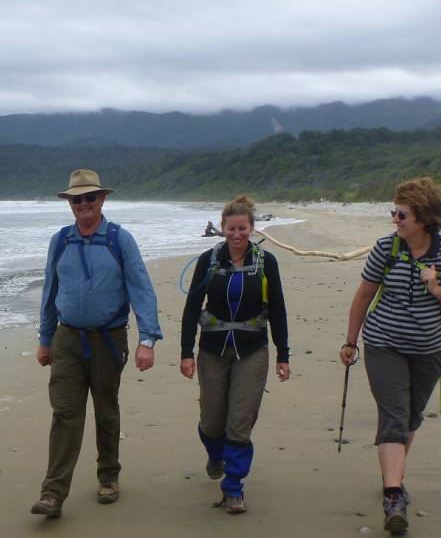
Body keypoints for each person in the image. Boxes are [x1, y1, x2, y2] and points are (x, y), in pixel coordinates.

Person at [339, 177, 441, 534]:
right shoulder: (386, 249)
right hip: (384, 345)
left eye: (402, 213)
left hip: (431, 349)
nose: (395, 219)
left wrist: (437, 288)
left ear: (424, 218)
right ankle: (394, 496)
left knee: (411, 417)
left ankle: (392, 477)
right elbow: (362, 297)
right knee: (394, 416)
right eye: (394, 212)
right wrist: (351, 342)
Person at [31, 169, 163, 518]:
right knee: (65, 414)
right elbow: (49, 292)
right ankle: (53, 493)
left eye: (91, 197)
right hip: (67, 339)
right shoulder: (60, 241)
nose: (84, 204)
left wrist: (147, 339)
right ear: (70, 204)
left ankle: (108, 476)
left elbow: (141, 289)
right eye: (78, 199)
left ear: (102, 199)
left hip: (108, 339)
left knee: (106, 409)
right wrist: (45, 340)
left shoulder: (120, 239)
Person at [180, 195, 290, 514]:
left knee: (240, 422)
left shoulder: (266, 262)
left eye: (243, 228)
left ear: (252, 228)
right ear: (223, 229)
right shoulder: (208, 260)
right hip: (213, 349)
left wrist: (284, 355)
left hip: (253, 350)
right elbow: (191, 309)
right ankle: (216, 454)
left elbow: (278, 310)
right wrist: (186, 352)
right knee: (213, 422)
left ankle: (233, 488)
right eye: (231, 229)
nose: (237, 234)